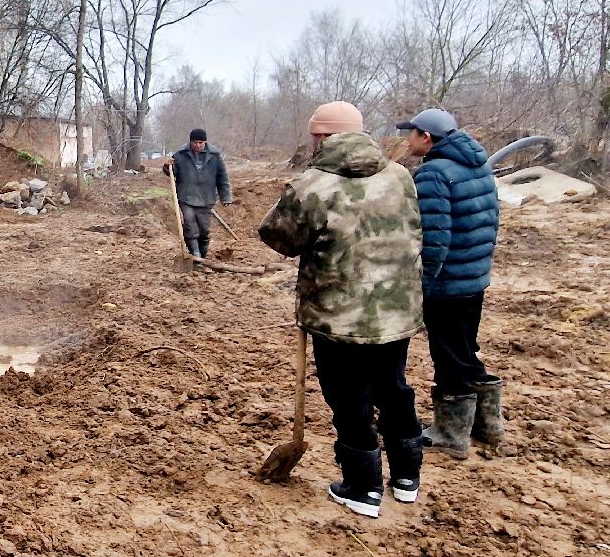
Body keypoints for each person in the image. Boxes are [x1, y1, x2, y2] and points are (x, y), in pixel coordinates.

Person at [258, 101, 424, 518]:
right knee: (394, 387)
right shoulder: (400, 175)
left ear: (321, 137)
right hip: (396, 308)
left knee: (350, 395)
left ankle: (362, 487)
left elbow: (279, 238)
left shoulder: (312, 185)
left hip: (339, 314)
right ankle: (406, 477)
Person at [396, 107, 502, 459]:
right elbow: (490, 221)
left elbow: (434, 240)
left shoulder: (432, 174)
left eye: (411, 133)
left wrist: (423, 284)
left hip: (447, 285)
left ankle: (452, 433)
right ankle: (487, 426)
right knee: (465, 349)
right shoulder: (480, 165)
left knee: (449, 355)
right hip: (474, 278)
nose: (406, 139)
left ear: (426, 137)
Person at [162, 127, 233, 258]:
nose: (198, 145)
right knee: (190, 225)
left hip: (206, 198)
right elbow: (172, 172)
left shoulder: (215, 156)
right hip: (186, 196)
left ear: (205, 142)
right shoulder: (180, 155)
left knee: (204, 230)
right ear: (190, 142)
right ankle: (195, 254)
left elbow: (222, 177)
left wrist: (226, 196)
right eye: (195, 142)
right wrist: (167, 166)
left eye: (201, 142)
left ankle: (202, 255)